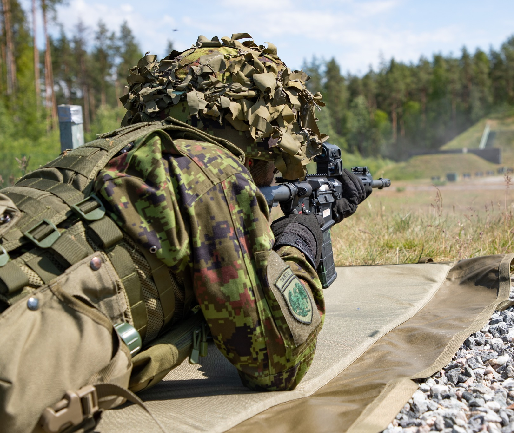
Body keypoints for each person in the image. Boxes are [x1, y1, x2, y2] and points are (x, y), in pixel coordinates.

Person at [0, 34, 368, 433]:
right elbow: (278, 359)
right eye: (274, 161)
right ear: (254, 143)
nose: (275, 173)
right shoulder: (211, 171)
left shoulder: (105, 152)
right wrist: (299, 242)